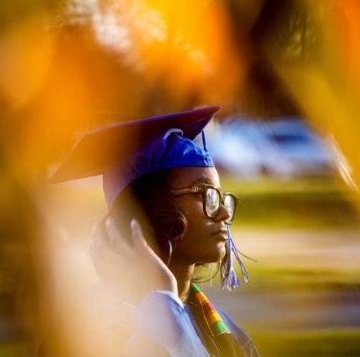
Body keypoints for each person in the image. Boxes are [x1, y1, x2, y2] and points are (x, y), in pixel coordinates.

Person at [50, 106, 259, 356]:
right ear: (148, 209)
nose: (223, 213)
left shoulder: (223, 329)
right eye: (204, 194)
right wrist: (162, 299)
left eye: (219, 197)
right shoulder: (90, 326)